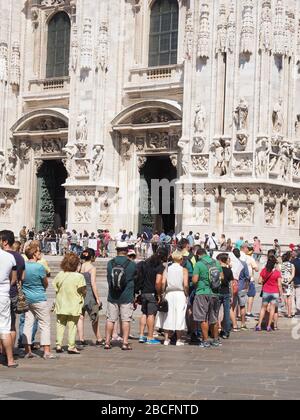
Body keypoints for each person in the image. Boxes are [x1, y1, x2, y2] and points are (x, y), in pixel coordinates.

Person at [22, 242, 55, 359]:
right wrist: (43, 287)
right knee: (45, 324)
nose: (40, 253)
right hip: (39, 298)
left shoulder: (23, 266)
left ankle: (27, 350)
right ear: (34, 254)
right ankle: (46, 351)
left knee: (28, 322)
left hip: (26, 298)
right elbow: (45, 282)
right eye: (38, 251)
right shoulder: (39, 267)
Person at [105, 242, 137, 350]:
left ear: (117, 249)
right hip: (126, 295)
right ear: (127, 250)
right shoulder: (132, 264)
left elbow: (108, 279)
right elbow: (135, 278)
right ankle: (125, 342)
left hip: (112, 295)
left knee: (110, 319)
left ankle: (107, 342)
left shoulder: (110, 263)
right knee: (125, 319)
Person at [53, 253, 86, 354]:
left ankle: (58, 345)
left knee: (60, 324)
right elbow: (83, 290)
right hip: (74, 304)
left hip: (61, 303)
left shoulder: (60, 274)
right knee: (72, 325)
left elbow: (55, 287)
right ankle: (71, 346)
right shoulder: (79, 276)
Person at [156, 250, 189, 346]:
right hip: (180, 293)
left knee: (168, 315)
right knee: (180, 315)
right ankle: (178, 339)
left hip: (169, 293)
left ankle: (166, 339)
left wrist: (163, 292)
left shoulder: (167, 269)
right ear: (181, 259)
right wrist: (186, 293)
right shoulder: (184, 270)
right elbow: (186, 284)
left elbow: (163, 283)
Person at [136, 248, 168, 345]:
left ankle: (141, 335)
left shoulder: (145, 264)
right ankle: (150, 337)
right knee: (151, 314)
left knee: (144, 313)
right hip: (152, 293)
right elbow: (158, 282)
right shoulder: (159, 267)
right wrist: (159, 294)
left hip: (144, 292)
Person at [192, 248, 223, 348]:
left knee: (203, 318)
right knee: (214, 318)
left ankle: (205, 341)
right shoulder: (216, 263)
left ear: (198, 255)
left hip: (202, 292)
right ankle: (215, 340)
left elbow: (195, 279)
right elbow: (221, 277)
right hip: (215, 293)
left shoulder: (199, 264)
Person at [0, 231, 25, 349]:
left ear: (5, 242)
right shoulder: (19, 257)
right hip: (13, 293)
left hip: (4, 293)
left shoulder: (3, 256)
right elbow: (22, 277)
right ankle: (10, 351)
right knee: (11, 325)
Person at [77, 249, 104, 347]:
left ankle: (81, 339)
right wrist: (97, 298)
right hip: (89, 294)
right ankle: (99, 338)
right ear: (92, 257)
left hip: (80, 294)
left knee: (80, 317)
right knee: (94, 317)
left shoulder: (80, 266)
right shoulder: (92, 268)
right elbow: (93, 284)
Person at [0, 236, 18, 368]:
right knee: (5, 328)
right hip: (3, 295)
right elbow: (14, 279)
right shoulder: (9, 257)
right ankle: (10, 360)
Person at [256, 255, 283, 332]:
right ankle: (268, 326)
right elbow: (279, 284)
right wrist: (280, 294)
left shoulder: (264, 270)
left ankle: (259, 325)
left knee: (263, 308)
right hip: (275, 292)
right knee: (272, 309)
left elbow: (259, 281)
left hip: (266, 291)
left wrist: (264, 282)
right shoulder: (277, 273)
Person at [231, 249, 250, 331]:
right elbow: (247, 276)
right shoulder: (244, 263)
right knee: (242, 306)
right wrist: (247, 286)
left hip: (233, 286)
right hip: (242, 286)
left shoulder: (231, 263)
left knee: (233, 306)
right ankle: (243, 323)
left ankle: (234, 324)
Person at [217, 253, 234, 340]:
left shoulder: (217, 270)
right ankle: (226, 331)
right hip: (226, 292)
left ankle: (215, 329)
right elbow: (231, 284)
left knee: (215, 312)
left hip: (218, 292)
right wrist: (232, 295)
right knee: (226, 312)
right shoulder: (229, 270)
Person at [240, 244, 259, 319]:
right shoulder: (250, 258)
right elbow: (256, 269)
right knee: (251, 295)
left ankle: (240, 314)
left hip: (241, 279)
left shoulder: (239, 257)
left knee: (240, 296)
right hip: (250, 279)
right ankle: (248, 312)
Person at [281, 252, 295, 318]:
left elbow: (279, 275)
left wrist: (283, 281)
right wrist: (288, 281)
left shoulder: (280, 265)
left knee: (285, 298)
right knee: (289, 298)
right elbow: (293, 275)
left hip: (283, 282)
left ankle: (286, 311)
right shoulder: (292, 265)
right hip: (289, 283)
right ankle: (289, 313)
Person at [292, 249, 300, 317]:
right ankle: (298, 309)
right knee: (298, 296)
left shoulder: (292, 262)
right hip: (299, 281)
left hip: (292, 280)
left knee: (292, 296)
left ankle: (293, 310)